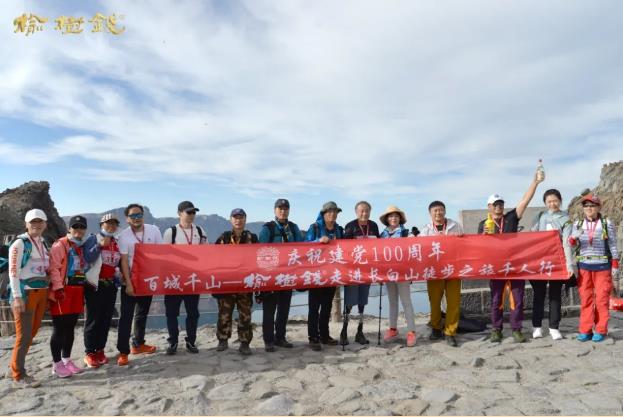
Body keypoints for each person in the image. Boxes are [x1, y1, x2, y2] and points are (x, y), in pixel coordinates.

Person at [478, 169, 543, 343]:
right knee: (496, 300)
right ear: (489, 207)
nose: (498, 207)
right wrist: (483, 235)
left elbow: (525, 201)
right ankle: (496, 330)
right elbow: (479, 247)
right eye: (495, 204)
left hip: (515, 265)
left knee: (517, 299)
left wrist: (535, 182)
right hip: (496, 268)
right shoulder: (483, 224)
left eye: (500, 204)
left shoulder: (511, 218)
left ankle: (516, 329)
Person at [48, 215, 96, 377]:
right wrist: (58, 288)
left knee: (70, 327)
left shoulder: (80, 246)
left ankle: (66, 360)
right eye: (75, 226)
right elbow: (54, 268)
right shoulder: (60, 244)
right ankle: (56, 364)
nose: (79, 230)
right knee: (59, 328)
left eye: (82, 227)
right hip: (63, 291)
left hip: (77, 290)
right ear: (69, 228)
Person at [7, 209, 51, 387]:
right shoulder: (20, 243)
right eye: (33, 222)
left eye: (40, 221)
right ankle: (19, 375)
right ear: (26, 224)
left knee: (31, 333)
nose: (37, 225)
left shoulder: (43, 242)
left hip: (41, 292)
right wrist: (17, 297)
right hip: (25, 293)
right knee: (24, 336)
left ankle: (15, 366)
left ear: (45, 224)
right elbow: (13, 272)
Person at [116, 203, 163, 366]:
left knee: (142, 313)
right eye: (133, 216)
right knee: (126, 317)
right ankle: (123, 352)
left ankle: (138, 344)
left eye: (139, 215)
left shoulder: (154, 230)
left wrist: (158, 277)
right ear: (127, 219)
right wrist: (128, 284)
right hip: (130, 280)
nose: (136, 218)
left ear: (143, 215)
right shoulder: (124, 236)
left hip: (148, 280)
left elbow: (161, 253)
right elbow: (123, 261)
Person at [569, 194, 619, 342]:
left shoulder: (606, 223)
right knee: (586, 299)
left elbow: (613, 244)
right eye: (586, 206)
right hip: (584, 266)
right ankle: (585, 330)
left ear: (598, 207)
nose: (589, 208)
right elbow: (571, 245)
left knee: (602, 299)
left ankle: (601, 330)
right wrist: (572, 238)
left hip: (603, 266)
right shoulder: (578, 224)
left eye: (592, 205)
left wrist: (615, 263)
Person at [258, 198, 303, 352]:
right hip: (271, 276)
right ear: (275, 210)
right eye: (280, 208)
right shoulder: (268, 229)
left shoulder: (294, 228)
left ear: (289, 210)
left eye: (285, 208)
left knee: (284, 308)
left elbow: (302, 247)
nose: (283, 211)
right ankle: (268, 340)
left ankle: (280, 338)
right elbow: (261, 252)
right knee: (269, 310)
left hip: (288, 275)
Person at [529, 189, 575, 341]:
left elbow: (567, 243)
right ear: (545, 203)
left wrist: (569, 266)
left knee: (555, 296)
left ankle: (554, 328)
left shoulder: (566, 219)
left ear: (560, 201)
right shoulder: (540, 216)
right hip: (540, 262)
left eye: (555, 201)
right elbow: (531, 237)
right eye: (549, 201)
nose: (552, 204)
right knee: (538, 295)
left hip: (557, 262)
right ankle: (536, 327)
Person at [162, 201, 206, 355]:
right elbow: (164, 255)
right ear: (179, 213)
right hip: (174, 279)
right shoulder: (171, 232)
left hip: (193, 278)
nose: (192, 215)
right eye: (189, 212)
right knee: (171, 313)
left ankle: (191, 341)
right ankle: (173, 342)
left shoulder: (200, 230)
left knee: (193, 313)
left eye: (194, 212)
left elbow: (206, 253)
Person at [420, 201, 464, 347]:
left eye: (440, 210)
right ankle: (436, 327)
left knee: (453, 302)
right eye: (435, 211)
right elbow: (419, 248)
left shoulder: (455, 226)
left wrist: (461, 237)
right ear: (430, 213)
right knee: (434, 301)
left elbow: (464, 245)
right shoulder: (425, 230)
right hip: (434, 271)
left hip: (453, 269)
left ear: (445, 211)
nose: (438, 213)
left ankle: (450, 332)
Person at [214, 208, 257, 355]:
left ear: (245, 219)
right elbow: (214, 258)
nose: (238, 220)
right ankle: (223, 339)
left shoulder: (252, 238)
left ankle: (244, 342)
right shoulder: (224, 238)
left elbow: (259, 258)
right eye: (235, 217)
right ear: (231, 220)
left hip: (245, 283)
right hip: (227, 283)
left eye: (241, 217)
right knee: (224, 313)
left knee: (245, 314)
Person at [83, 213, 122, 367]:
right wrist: (99, 246)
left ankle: (100, 350)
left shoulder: (116, 242)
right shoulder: (93, 239)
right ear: (101, 225)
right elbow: (87, 258)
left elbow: (117, 263)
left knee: (106, 319)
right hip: (95, 285)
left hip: (110, 285)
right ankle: (89, 352)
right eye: (108, 223)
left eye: (114, 224)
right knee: (93, 319)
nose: (111, 226)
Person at [305, 201, 344, 351]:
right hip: (316, 274)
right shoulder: (314, 227)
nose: (332, 214)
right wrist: (318, 241)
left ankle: (324, 335)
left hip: (331, 274)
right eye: (329, 212)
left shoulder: (338, 229)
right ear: (324, 213)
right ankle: (313, 337)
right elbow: (305, 246)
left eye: (335, 212)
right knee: (314, 307)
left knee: (327, 306)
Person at [341, 201, 380, 345]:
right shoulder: (350, 226)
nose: (364, 213)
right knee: (349, 302)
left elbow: (379, 246)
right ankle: (344, 331)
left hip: (367, 269)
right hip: (353, 270)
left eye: (367, 210)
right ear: (356, 212)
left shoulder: (373, 225)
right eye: (361, 211)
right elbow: (344, 247)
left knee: (362, 301)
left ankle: (360, 331)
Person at [379, 205, 417, 347]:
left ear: (400, 218)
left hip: (403, 272)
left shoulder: (406, 233)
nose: (393, 218)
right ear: (387, 219)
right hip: (388, 273)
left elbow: (414, 249)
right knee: (392, 302)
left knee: (406, 301)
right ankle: (393, 329)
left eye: (396, 216)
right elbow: (378, 254)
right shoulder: (382, 235)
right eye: (390, 216)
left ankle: (411, 331)